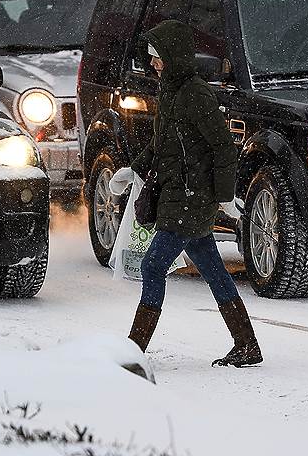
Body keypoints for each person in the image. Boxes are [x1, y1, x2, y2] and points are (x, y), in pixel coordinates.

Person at [114, 19, 262, 367]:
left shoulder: (196, 94)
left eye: (157, 57)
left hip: (191, 199)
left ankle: (134, 350)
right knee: (213, 270)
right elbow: (160, 144)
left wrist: (224, 195)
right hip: (176, 195)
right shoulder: (168, 90)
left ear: (174, 56)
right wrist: (133, 168)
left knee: (153, 266)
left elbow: (224, 147)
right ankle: (247, 344)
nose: (153, 63)